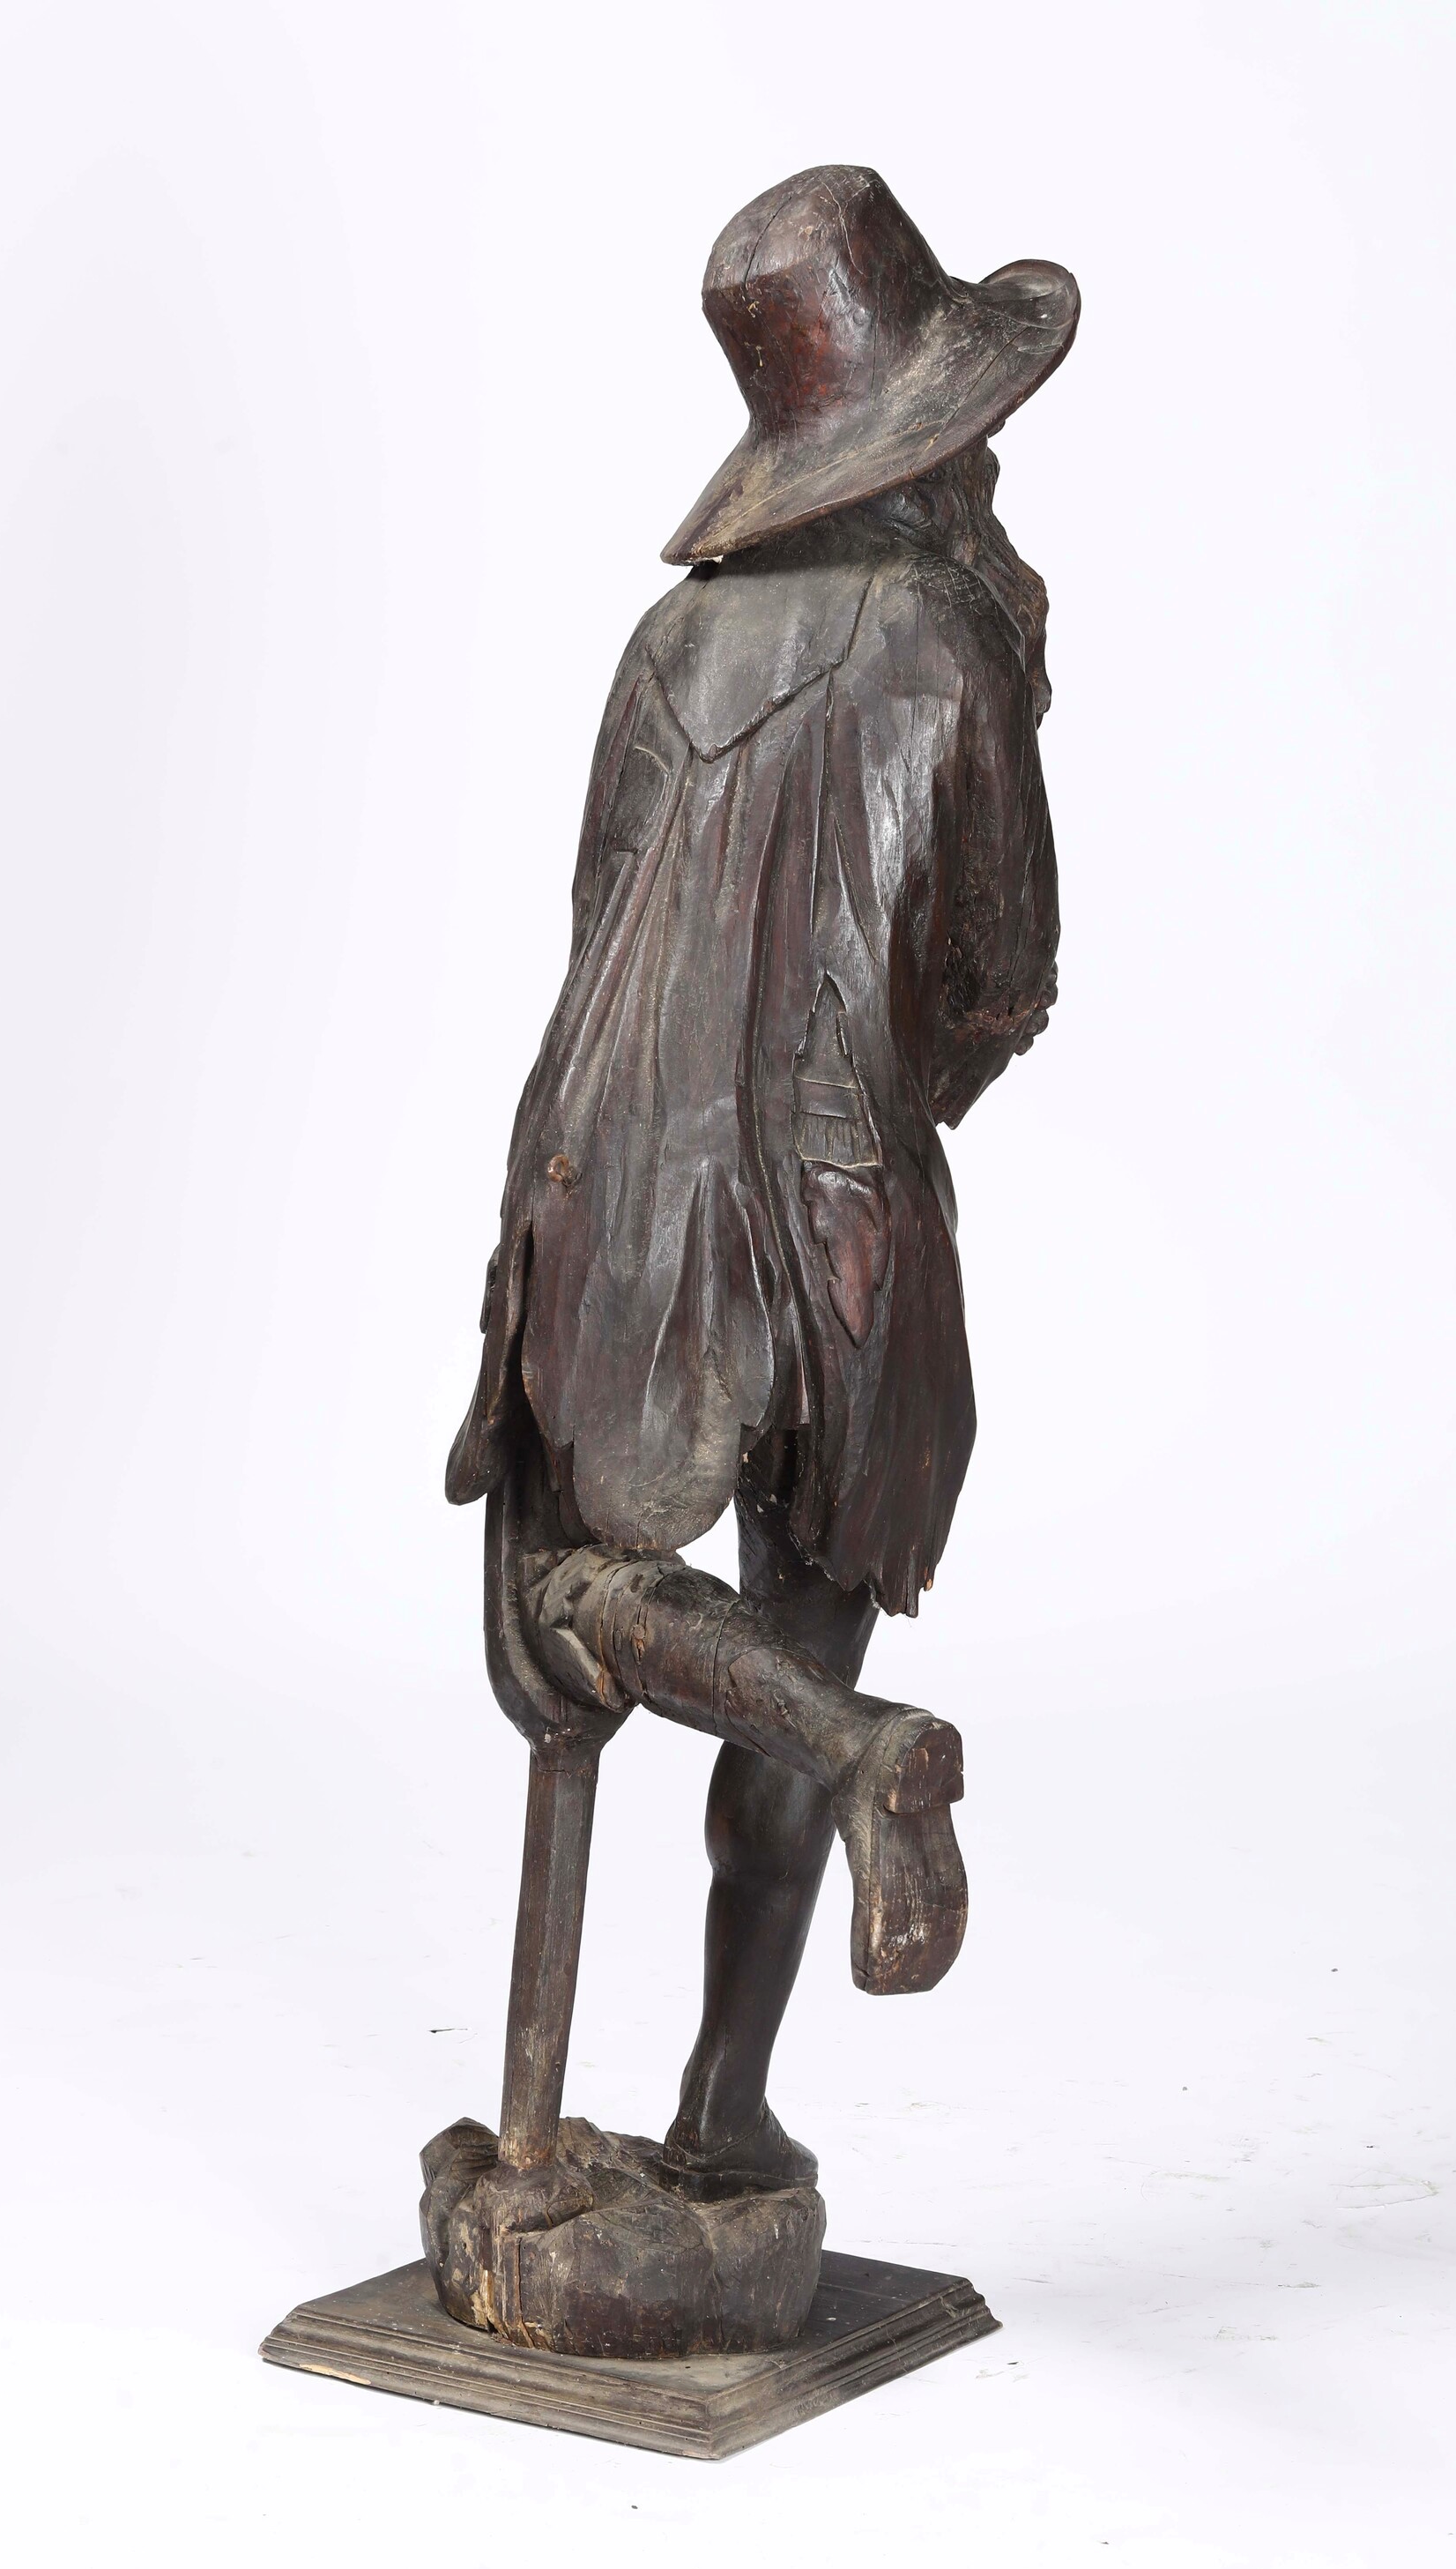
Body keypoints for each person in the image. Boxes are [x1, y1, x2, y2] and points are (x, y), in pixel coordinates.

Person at [447, 165, 1078, 2201]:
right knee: (805, 1630)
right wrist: (876, 1103)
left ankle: (542, 2109)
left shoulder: (666, 642)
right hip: (835, 1214)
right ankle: (727, 2101)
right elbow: (1000, 979)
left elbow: (595, 922)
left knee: (564, 1642)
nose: (993, 469)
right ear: (928, 443)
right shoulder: (950, 641)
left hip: (600, 1184)